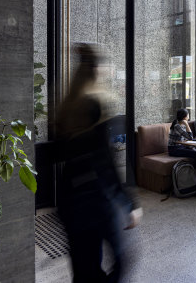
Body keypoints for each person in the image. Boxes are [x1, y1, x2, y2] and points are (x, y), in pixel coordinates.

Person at [55, 43, 140, 283]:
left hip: (70, 203)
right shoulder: (99, 104)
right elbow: (108, 162)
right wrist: (130, 202)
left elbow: (59, 156)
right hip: (97, 200)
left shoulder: (65, 108)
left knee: (85, 270)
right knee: (122, 260)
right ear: (98, 69)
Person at [168, 108, 196, 176]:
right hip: (174, 149)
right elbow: (190, 137)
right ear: (185, 117)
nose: (188, 116)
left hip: (181, 146)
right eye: (188, 115)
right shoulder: (177, 126)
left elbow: (186, 140)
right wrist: (187, 124)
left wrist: (192, 147)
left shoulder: (181, 125)